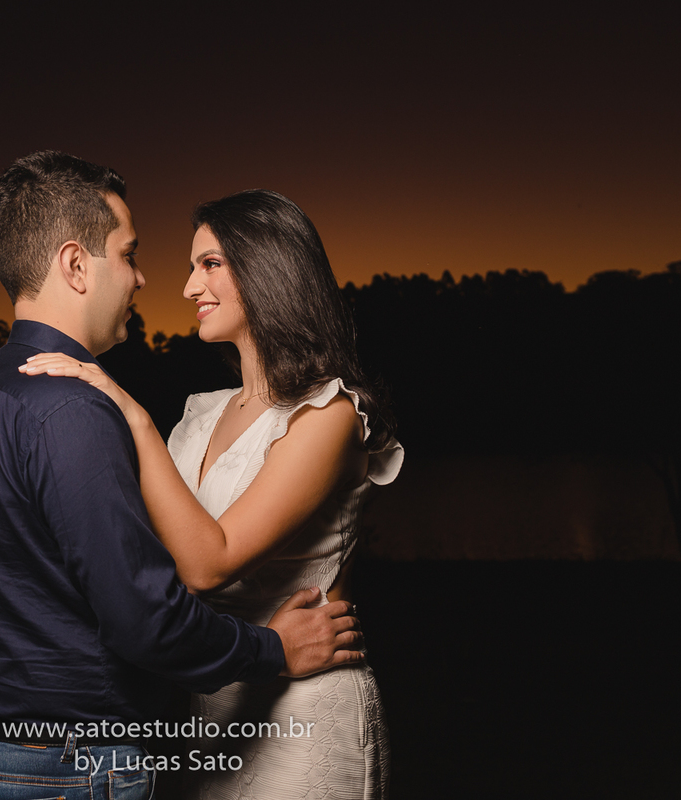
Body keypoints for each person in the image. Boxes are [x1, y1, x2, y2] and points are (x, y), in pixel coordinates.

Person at [0, 154, 365, 800]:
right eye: (130, 254)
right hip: (66, 766)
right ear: (77, 265)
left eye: (208, 264)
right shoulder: (76, 408)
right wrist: (270, 651)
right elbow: (147, 618)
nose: (147, 279)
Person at [21, 189, 405, 798]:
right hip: (211, 707)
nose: (187, 286)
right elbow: (150, 558)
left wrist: (131, 416)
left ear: (266, 269)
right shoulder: (201, 416)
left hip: (305, 703)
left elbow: (207, 564)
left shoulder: (327, 414)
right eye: (192, 266)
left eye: (210, 264)